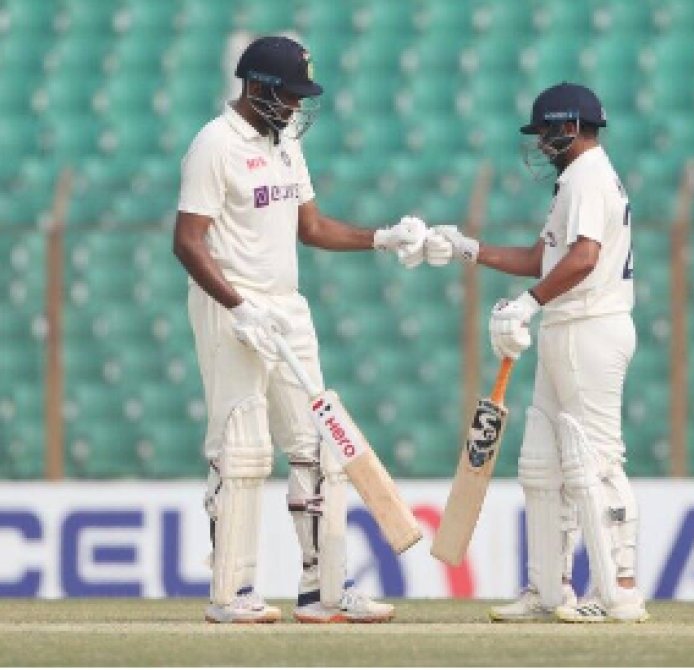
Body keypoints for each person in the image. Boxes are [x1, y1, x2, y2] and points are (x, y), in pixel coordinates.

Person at [173, 35, 428, 624]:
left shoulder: (284, 142)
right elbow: (187, 242)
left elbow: (309, 226)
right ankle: (231, 595)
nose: (294, 107)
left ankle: (325, 592)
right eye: (288, 95)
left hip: (286, 308)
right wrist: (238, 306)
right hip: (231, 309)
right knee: (242, 450)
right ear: (257, 88)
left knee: (317, 447)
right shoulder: (214, 145)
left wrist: (381, 238)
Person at [426, 82, 648, 623]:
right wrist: (469, 249)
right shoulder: (578, 178)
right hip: (568, 327)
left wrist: (528, 304)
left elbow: (584, 258)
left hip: (588, 328)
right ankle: (550, 590)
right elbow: (541, 258)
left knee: (596, 459)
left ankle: (619, 591)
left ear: (570, 126)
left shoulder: (588, 175)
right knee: (541, 465)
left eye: (547, 132)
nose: (542, 144)